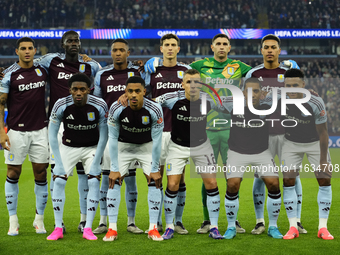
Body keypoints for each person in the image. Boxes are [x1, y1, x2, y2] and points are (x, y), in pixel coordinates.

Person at [37, 30, 101, 233]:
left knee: (85, 175)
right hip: (59, 123)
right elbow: (27, 64)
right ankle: (58, 222)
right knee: (57, 174)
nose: (74, 43)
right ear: (63, 44)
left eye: (77, 41)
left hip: (85, 124)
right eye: (70, 41)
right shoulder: (51, 60)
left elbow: (101, 85)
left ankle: (84, 220)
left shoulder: (91, 65)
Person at [245, 34, 305, 235]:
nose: (270, 50)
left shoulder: (289, 72)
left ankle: (295, 221)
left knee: (293, 177)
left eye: (273, 47)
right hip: (262, 134)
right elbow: (246, 102)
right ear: (261, 51)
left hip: (289, 133)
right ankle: (260, 221)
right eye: (266, 47)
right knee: (260, 177)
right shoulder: (253, 74)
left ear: (279, 51)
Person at [154, 69, 224, 240]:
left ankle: (214, 227)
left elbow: (230, 104)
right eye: (189, 82)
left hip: (202, 146)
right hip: (177, 146)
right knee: (172, 185)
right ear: (183, 84)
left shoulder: (209, 99)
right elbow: (152, 103)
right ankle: (170, 226)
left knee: (212, 183)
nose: (193, 85)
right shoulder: (172, 98)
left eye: (197, 82)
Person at [47, 73, 108, 241]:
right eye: (75, 89)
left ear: (89, 90)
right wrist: (58, 162)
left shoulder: (99, 104)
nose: (79, 93)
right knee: (58, 180)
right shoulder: (61, 104)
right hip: (68, 146)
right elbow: (52, 134)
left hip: (91, 148)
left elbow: (104, 136)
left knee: (94, 181)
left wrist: (96, 161)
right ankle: (58, 227)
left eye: (82, 89)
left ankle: (88, 228)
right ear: (70, 90)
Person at [104, 76, 164, 241]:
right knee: (113, 181)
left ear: (144, 92)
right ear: (125, 92)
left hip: (146, 147)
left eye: (138, 91)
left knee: (154, 181)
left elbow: (158, 140)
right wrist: (114, 168)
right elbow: (113, 139)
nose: (134, 95)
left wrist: (154, 169)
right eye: (130, 91)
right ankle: (112, 228)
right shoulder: (116, 108)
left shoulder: (154, 108)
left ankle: (153, 228)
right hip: (123, 147)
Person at [221, 78, 283, 239]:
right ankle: (231, 227)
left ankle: (273, 227)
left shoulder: (268, 106)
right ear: (242, 93)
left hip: (261, 152)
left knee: (274, 183)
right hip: (236, 151)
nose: (252, 94)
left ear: (261, 93)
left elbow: (288, 96)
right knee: (233, 184)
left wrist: (309, 93)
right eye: (248, 91)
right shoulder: (233, 104)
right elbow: (210, 99)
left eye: (256, 91)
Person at [93, 38, 143, 234]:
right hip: (108, 133)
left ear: (128, 53)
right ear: (111, 53)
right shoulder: (102, 74)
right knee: (107, 178)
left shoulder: (136, 73)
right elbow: (97, 103)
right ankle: (103, 221)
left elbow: (144, 96)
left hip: (131, 131)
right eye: (115, 50)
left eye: (122, 50)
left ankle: (131, 222)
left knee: (130, 178)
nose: (118, 53)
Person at [1, 37, 49, 236]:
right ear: (17, 51)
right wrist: (1, 131)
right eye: (23, 48)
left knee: (41, 173)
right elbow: (1, 103)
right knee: (13, 173)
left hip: (40, 130)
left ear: (35, 50)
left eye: (30, 48)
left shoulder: (42, 71)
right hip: (16, 131)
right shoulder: (8, 75)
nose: (27, 51)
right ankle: (14, 220)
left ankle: (39, 220)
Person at [278, 69, 333, 240]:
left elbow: (323, 133)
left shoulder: (315, 102)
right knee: (288, 180)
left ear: (303, 85)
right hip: (290, 142)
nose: (292, 89)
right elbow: (254, 96)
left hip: (314, 142)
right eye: (288, 86)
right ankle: (292, 226)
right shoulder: (278, 98)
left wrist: (323, 160)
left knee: (324, 178)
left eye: (296, 85)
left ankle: (322, 228)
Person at [144, 33, 191, 234]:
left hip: (179, 133)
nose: (170, 48)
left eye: (173, 45)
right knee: (156, 177)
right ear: (161, 48)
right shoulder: (152, 70)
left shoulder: (187, 71)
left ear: (178, 49)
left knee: (178, 179)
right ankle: (155, 222)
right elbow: (143, 94)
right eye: (167, 45)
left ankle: (177, 221)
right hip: (157, 133)